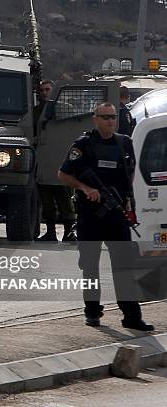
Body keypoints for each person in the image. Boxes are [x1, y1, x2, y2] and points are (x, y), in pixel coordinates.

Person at [57, 102, 153, 331]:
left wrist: (127, 199)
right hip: (91, 214)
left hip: (116, 213)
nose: (111, 120)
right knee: (90, 265)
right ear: (95, 118)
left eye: (113, 117)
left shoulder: (124, 143)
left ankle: (131, 316)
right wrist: (85, 188)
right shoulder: (84, 144)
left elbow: (129, 173)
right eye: (106, 117)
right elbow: (62, 174)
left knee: (124, 266)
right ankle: (92, 311)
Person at [35, 79, 76, 242]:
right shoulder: (37, 112)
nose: (44, 92)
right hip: (44, 160)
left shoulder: (66, 109)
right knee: (47, 200)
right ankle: (50, 231)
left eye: (47, 89)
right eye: (42, 90)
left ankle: (68, 232)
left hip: (61, 159)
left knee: (65, 199)